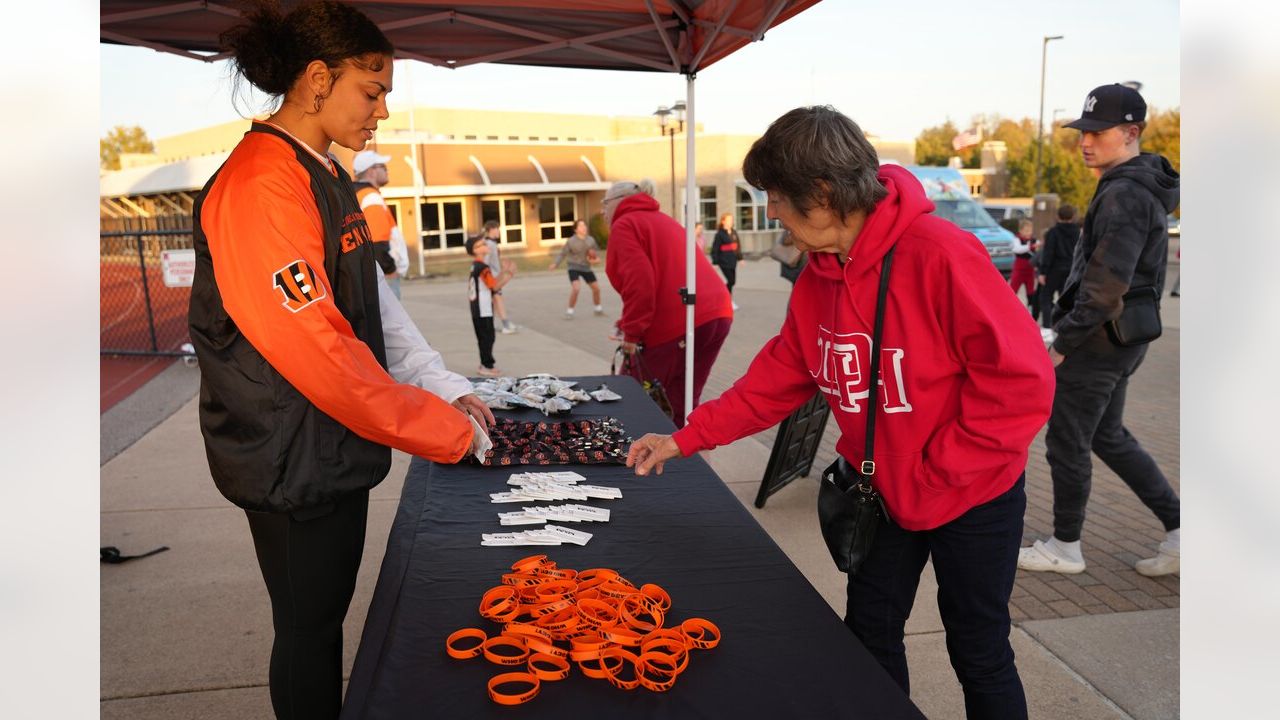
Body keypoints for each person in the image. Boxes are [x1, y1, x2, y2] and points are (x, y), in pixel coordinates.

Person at [626, 106, 1054, 719]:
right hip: (880, 494)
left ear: (822, 195)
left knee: (978, 648)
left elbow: (1021, 383)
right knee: (868, 638)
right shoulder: (817, 276)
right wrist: (686, 438)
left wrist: (938, 469)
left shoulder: (939, 254)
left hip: (971, 492)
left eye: (777, 198)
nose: (772, 213)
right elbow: (776, 379)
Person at [186, 3, 494, 718]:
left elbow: (371, 300)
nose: (382, 111)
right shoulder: (262, 182)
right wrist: (437, 427)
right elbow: (314, 346)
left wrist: (438, 382)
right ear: (318, 80)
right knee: (308, 630)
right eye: (373, 90)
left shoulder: (321, 170)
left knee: (323, 624)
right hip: (289, 454)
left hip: (328, 445)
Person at [1018, 83, 1181, 577]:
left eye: (1098, 131)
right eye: (1083, 131)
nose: (1086, 141)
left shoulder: (1127, 194)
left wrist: (1063, 342)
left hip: (1098, 341)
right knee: (1108, 437)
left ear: (1131, 132)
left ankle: (1065, 546)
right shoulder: (1134, 185)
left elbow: (1106, 284)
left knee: (1067, 442)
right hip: (1123, 339)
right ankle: (1180, 528)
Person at [602, 179, 734, 428]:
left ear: (620, 201)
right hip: (716, 313)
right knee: (682, 400)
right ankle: (687, 458)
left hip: (679, 321)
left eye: (605, 203)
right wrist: (627, 323)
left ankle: (634, 456)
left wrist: (632, 333)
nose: (602, 211)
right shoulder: (663, 220)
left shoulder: (626, 224)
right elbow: (663, 277)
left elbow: (639, 283)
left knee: (634, 394)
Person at [350, 150, 409, 298]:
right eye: (383, 166)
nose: (387, 170)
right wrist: (389, 270)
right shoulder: (371, 198)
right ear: (371, 171)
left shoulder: (357, 195)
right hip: (383, 274)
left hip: (369, 273)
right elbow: (377, 241)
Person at [466, 236, 516, 377]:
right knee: (487, 337)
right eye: (481, 244)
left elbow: (491, 282)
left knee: (487, 336)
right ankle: (485, 365)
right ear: (476, 251)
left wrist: (503, 272)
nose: (485, 245)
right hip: (482, 309)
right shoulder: (482, 267)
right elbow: (494, 287)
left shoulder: (477, 265)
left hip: (480, 308)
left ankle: (487, 363)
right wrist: (509, 274)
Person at [1037, 204, 1081, 336]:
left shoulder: (1052, 232)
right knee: (1066, 299)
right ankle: (1064, 329)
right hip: (1071, 269)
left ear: (1057, 216)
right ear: (1073, 216)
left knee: (1046, 297)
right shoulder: (1078, 232)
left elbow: (1048, 253)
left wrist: (1043, 272)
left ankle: (1046, 329)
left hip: (1054, 268)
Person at [548, 218, 604, 318]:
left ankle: (598, 309)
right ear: (576, 229)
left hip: (586, 267)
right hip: (573, 267)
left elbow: (597, 252)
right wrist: (555, 264)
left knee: (596, 289)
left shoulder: (591, 240)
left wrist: (596, 260)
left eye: (584, 225)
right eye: (581, 226)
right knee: (576, 288)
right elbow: (562, 254)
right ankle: (570, 311)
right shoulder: (571, 241)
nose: (584, 227)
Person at [480, 220, 518, 334]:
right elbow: (485, 262)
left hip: (495, 275)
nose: (499, 231)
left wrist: (501, 265)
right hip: (492, 277)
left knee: (496, 300)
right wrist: (491, 277)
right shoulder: (489, 244)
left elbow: (493, 261)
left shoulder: (492, 243)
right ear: (490, 230)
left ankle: (495, 324)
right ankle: (505, 324)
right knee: (497, 298)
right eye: (497, 229)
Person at [711, 212, 744, 309]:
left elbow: (737, 246)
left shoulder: (734, 232)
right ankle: (727, 300)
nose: (731, 221)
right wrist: (715, 262)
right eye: (729, 220)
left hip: (733, 261)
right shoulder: (719, 234)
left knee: (732, 282)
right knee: (731, 280)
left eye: (732, 220)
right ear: (723, 221)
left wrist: (740, 258)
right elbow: (715, 249)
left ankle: (724, 298)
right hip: (723, 261)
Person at [1009, 219, 1038, 317]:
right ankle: (1009, 308)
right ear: (1020, 231)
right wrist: (1029, 247)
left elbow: (1038, 250)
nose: (1028, 233)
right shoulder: (1016, 239)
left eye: (1030, 231)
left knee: (1031, 291)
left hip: (1030, 270)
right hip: (1019, 269)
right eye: (1026, 231)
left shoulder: (1034, 240)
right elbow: (1017, 249)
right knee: (1012, 290)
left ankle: (1030, 309)